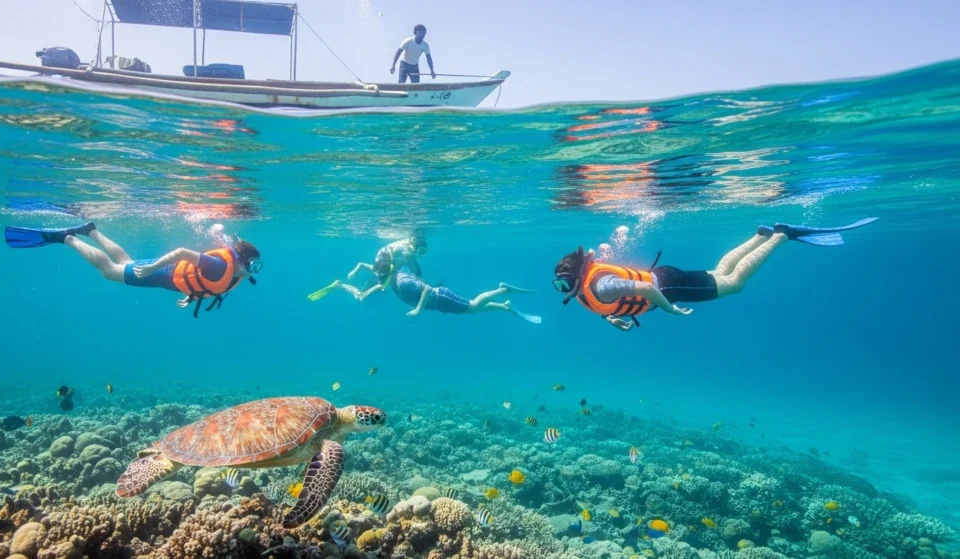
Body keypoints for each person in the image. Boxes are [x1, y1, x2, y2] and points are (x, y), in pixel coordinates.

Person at [552, 218, 878, 330]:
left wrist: (670, 309)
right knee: (718, 271)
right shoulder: (586, 290)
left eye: (564, 282)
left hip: (667, 286)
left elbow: (645, 292)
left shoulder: (602, 285)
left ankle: (781, 237)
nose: (563, 288)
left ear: (579, 276)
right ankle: (761, 234)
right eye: (560, 284)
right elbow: (619, 297)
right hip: (664, 275)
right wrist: (612, 320)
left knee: (733, 283)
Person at [4, 221, 262, 318]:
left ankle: (90, 230)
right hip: (162, 272)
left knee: (125, 262)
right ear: (242, 261)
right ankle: (67, 239)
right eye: (252, 265)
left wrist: (189, 296)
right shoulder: (219, 266)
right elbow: (183, 252)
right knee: (108, 271)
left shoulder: (230, 277)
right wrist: (152, 268)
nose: (253, 270)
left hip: (166, 276)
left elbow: (202, 283)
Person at [358, 260, 541, 323]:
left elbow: (427, 288)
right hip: (439, 304)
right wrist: (357, 268)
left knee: (474, 305)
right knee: (472, 310)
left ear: (387, 274)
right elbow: (372, 267)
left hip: (441, 298)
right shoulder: (391, 274)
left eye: (381, 278)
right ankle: (505, 307)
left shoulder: (402, 282)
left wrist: (418, 309)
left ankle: (502, 290)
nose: (380, 281)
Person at [307, 235, 426, 302]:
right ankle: (339, 285)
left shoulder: (403, 255)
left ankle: (343, 285)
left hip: (384, 262)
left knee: (388, 275)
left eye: (424, 252)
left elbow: (362, 264)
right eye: (421, 251)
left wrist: (354, 271)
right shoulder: (403, 253)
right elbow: (411, 267)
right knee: (360, 297)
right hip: (384, 264)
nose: (422, 255)